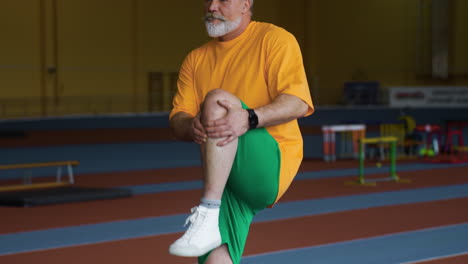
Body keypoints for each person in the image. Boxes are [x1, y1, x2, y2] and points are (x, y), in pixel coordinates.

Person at [168, 0, 314, 263]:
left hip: (271, 158)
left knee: (217, 101)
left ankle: (208, 210)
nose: (212, 6)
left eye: (223, 0)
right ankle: (210, 220)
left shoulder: (275, 39)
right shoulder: (195, 60)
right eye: (209, 0)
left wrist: (249, 118)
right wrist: (191, 125)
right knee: (214, 256)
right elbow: (178, 118)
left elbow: (298, 102)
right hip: (226, 176)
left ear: (246, 3)